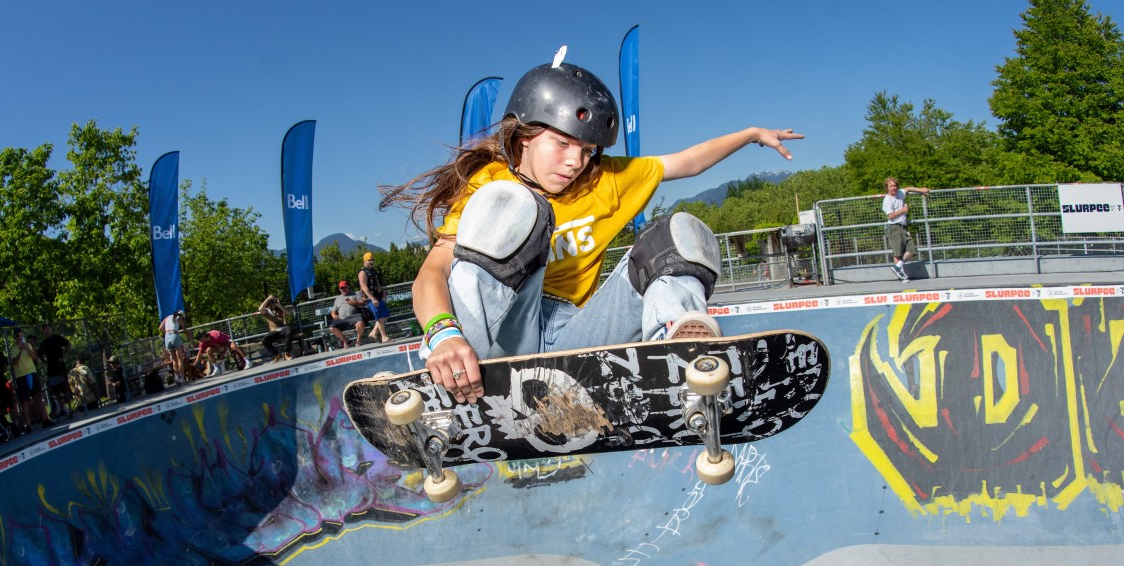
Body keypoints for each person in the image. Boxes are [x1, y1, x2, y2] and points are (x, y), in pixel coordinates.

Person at [382, 51, 801, 404]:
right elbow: (432, 273)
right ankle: (456, 358)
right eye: (562, 143)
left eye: (586, 151)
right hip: (497, 335)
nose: (574, 162)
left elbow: (687, 161)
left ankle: (683, 349)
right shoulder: (490, 183)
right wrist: (442, 333)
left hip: (574, 336)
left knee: (676, 235)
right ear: (524, 136)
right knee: (513, 208)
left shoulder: (607, 181)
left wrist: (750, 134)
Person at [882, 177, 931, 281]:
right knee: (897, 253)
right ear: (887, 187)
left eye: (895, 185)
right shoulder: (887, 199)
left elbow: (908, 189)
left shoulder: (900, 193)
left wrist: (921, 190)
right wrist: (903, 210)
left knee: (911, 249)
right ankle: (901, 274)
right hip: (894, 227)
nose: (893, 188)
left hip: (903, 227)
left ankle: (897, 267)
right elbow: (890, 216)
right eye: (891, 186)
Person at [11, 330, 52, 433]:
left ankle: (45, 419)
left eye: (21, 335)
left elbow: (34, 357)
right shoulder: (13, 349)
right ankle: (28, 424)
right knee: (25, 400)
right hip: (21, 376)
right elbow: (14, 362)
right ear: (14, 338)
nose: (19, 338)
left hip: (31, 373)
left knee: (38, 396)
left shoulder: (28, 345)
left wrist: (26, 349)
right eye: (17, 336)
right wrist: (20, 351)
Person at [37, 323, 73, 419]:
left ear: (51, 329)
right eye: (45, 329)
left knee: (65, 388)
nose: (46, 330)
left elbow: (68, 343)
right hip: (51, 369)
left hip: (60, 367)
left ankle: (70, 408)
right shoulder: (44, 343)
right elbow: (39, 354)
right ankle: (62, 408)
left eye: (48, 328)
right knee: (55, 390)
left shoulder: (57, 338)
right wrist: (45, 362)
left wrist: (65, 356)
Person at [358, 252, 392, 343]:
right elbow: (364, 287)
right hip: (370, 299)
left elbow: (378, 283)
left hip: (378, 296)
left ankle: (373, 333)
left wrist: (383, 292)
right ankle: (384, 337)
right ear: (365, 261)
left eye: (373, 260)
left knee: (384, 316)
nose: (371, 262)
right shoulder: (363, 272)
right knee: (380, 317)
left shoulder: (373, 271)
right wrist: (372, 299)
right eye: (369, 260)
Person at [257, 295, 298, 362]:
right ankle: (277, 354)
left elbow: (289, 313)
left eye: (274, 302)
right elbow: (260, 309)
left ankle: (286, 353)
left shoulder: (280, 309)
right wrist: (267, 299)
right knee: (264, 340)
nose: (274, 304)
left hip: (282, 329)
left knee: (289, 331)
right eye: (272, 302)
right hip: (274, 331)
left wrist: (279, 305)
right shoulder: (267, 311)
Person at [328, 281, 367, 348]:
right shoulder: (338, 299)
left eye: (345, 287)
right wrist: (334, 316)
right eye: (341, 288)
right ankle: (347, 341)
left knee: (360, 323)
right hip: (342, 319)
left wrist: (354, 302)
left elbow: (363, 302)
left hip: (354, 316)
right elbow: (333, 311)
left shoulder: (355, 294)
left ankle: (358, 341)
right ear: (339, 289)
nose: (343, 289)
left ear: (348, 287)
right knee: (332, 328)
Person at [159, 310, 188, 380]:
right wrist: (190, 338)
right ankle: (182, 378)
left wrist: (166, 333)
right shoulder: (179, 318)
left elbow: (160, 327)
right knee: (180, 359)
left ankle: (177, 377)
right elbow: (185, 330)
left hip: (167, 338)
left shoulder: (167, 317)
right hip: (174, 335)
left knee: (174, 360)